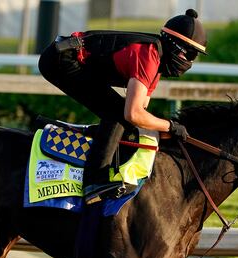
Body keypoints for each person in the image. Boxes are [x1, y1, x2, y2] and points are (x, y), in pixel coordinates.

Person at [38, 9, 207, 204]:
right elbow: (133, 113)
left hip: (72, 58)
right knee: (117, 114)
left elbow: (141, 112)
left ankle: (99, 153)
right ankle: (94, 181)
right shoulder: (148, 56)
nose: (191, 61)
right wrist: (169, 125)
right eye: (191, 53)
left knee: (121, 117)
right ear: (176, 47)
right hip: (59, 60)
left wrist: (165, 131)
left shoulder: (157, 60)